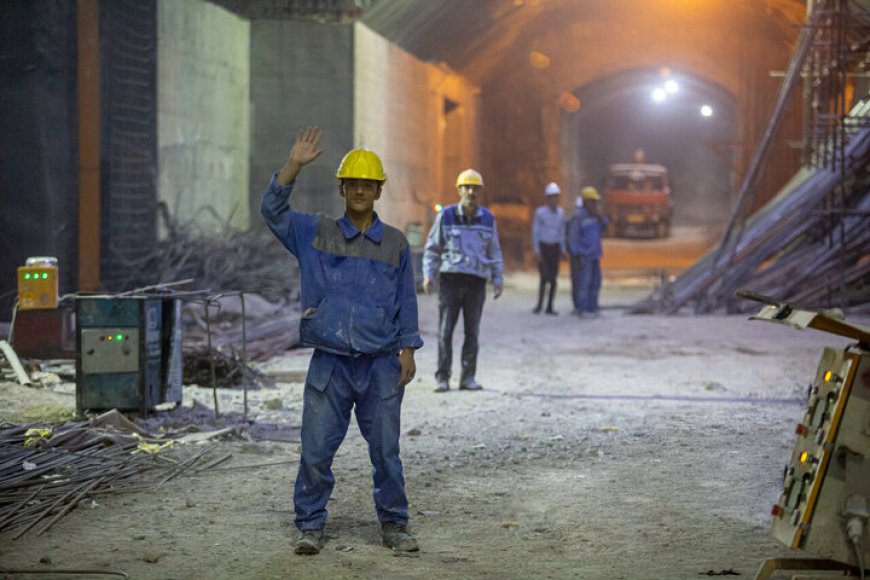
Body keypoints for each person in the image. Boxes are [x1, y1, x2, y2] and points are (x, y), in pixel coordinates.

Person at [261, 127, 423, 555]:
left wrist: (408, 349)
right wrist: (293, 164)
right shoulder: (316, 233)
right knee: (315, 451)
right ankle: (310, 525)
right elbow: (273, 212)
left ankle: (395, 525)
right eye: (352, 183)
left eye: (367, 184)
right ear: (342, 187)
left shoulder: (394, 243)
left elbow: (406, 298)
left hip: (381, 363)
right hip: (330, 363)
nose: (359, 190)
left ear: (377, 190)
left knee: (386, 453)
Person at [422, 168, 504, 393]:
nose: (471, 191)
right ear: (459, 190)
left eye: (475, 188)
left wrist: (498, 277)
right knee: (445, 330)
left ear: (480, 191)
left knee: (472, 331)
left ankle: (468, 377)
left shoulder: (488, 218)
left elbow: (494, 250)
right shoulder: (446, 216)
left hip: (476, 281)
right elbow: (433, 248)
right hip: (451, 280)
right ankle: (443, 377)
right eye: (467, 187)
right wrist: (429, 274)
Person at [566, 186, 609, 317]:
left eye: (595, 202)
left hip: (595, 255)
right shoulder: (578, 218)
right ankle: (582, 308)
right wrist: (577, 253)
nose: (594, 204)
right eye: (592, 202)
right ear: (585, 202)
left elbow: (605, 228)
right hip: (584, 256)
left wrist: (600, 217)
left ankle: (593, 307)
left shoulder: (596, 217)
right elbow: (573, 237)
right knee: (583, 283)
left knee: (595, 283)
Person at [531, 182, 566, 315]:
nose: (554, 200)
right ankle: (539, 305)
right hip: (544, 247)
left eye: (556, 197)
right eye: (552, 197)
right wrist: (537, 251)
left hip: (555, 248)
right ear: (547, 198)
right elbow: (535, 232)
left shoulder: (561, 214)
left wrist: (563, 250)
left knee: (553, 279)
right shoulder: (540, 213)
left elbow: (562, 232)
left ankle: (549, 306)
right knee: (544, 277)